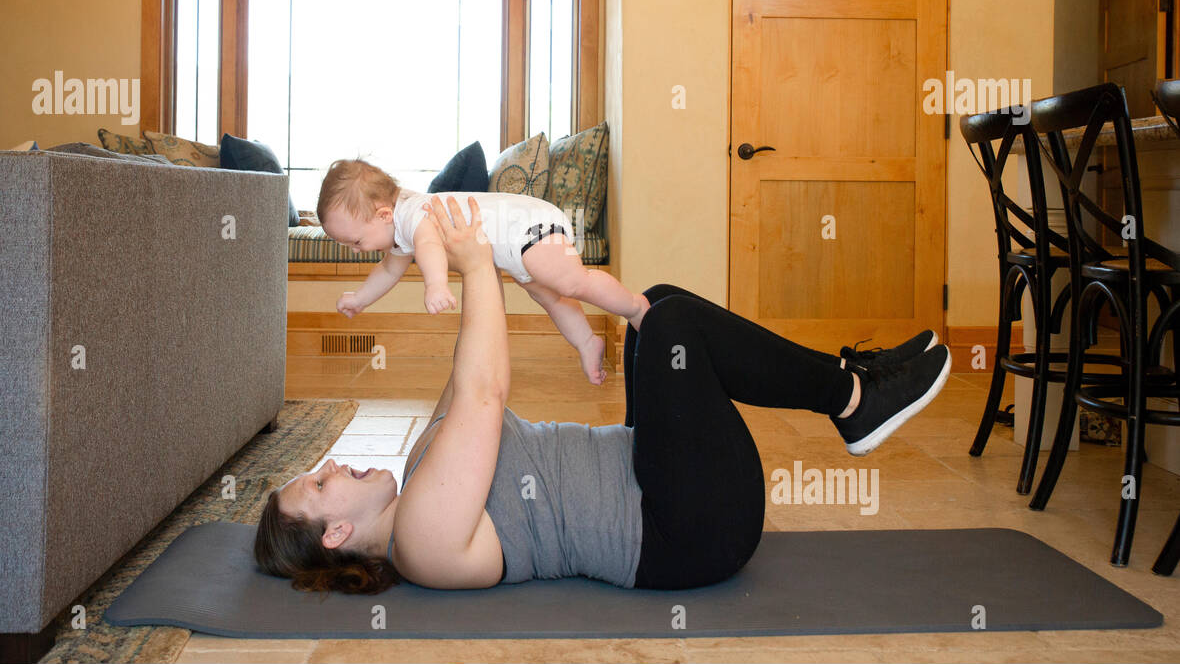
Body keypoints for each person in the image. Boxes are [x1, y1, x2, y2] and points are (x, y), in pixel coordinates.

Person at [255, 195, 952, 595]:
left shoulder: (419, 478)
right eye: (318, 486)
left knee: (656, 310)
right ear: (336, 535)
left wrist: (461, 245)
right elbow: (488, 391)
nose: (332, 465)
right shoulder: (421, 543)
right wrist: (468, 268)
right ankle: (853, 400)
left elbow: (473, 364)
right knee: (670, 323)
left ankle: (852, 387)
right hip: (685, 530)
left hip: (662, 476)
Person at [315, 158, 649, 384]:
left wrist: (436, 286)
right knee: (547, 294)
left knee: (570, 282)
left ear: (384, 214)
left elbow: (430, 245)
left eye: (356, 241)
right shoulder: (397, 232)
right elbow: (388, 271)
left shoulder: (414, 213)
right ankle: (587, 342)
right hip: (515, 248)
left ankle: (634, 306)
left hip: (527, 225)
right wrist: (360, 298)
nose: (356, 250)